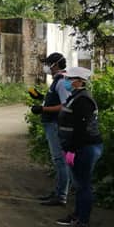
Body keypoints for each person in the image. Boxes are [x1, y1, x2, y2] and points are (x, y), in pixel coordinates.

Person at [54, 67, 103, 227]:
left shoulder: (84, 100)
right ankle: (77, 216)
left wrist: (72, 149)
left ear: (80, 81)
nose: (67, 81)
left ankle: (83, 223)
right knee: (79, 183)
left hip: (85, 147)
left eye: (70, 79)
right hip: (77, 147)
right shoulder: (75, 97)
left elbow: (81, 128)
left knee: (83, 184)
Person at [29, 52, 72, 206]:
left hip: (56, 124)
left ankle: (61, 196)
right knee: (58, 160)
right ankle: (58, 192)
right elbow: (56, 100)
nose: (46, 66)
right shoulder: (58, 81)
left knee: (60, 160)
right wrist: (41, 98)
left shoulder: (62, 81)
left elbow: (66, 105)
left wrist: (43, 109)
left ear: (56, 64)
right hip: (52, 124)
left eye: (48, 64)